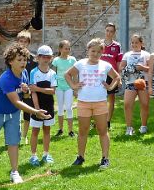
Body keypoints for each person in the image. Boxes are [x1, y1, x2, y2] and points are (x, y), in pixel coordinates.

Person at [0, 44, 51, 183]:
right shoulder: (6, 78)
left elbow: (24, 98)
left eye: (24, 59)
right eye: (19, 60)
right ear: (10, 61)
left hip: (13, 114)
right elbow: (16, 102)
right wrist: (35, 112)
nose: (23, 62)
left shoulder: (24, 73)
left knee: (13, 141)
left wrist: (26, 92)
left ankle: (14, 172)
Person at [65, 37, 121, 168]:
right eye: (93, 51)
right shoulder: (80, 64)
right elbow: (67, 75)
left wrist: (110, 87)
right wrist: (73, 86)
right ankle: (80, 157)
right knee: (83, 131)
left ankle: (105, 158)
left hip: (100, 103)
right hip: (83, 102)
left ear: (101, 53)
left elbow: (117, 77)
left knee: (102, 130)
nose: (95, 54)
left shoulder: (105, 65)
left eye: (98, 52)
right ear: (88, 50)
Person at [28, 45, 57, 166]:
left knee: (47, 130)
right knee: (35, 130)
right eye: (43, 57)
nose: (45, 59)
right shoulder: (33, 72)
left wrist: (38, 88)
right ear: (38, 58)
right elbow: (32, 91)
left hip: (49, 105)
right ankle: (33, 155)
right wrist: (36, 107)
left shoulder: (52, 73)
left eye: (48, 57)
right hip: (37, 105)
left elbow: (52, 91)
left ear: (51, 58)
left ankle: (46, 153)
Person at [119, 34, 151, 135]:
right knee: (127, 104)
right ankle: (129, 128)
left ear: (141, 43)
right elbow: (121, 67)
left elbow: (151, 69)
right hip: (130, 82)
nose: (134, 44)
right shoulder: (127, 55)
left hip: (143, 82)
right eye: (132, 42)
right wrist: (130, 68)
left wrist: (142, 68)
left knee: (144, 104)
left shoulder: (146, 54)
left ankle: (144, 126)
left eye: (136, 42)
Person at [51, 40, 76, 138]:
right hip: (59, 87)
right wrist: (54, 86)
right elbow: (53, 74)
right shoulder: (56, 60)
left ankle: (70, 131)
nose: (67, 50)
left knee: (69, 107)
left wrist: (75, 87)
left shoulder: (72, 60)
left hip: (69, 86)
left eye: (69, 48)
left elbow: (75, 73)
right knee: (60, 108)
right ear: (60, 49)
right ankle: (60, 129)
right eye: (66, 48)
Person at [16, 30, 37, 144]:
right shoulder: (13, 56)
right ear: (17, 42)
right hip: (16, 88)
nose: (23, 43)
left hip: (28, 89)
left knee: (27, 112)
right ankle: (17, 133)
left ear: (28, 43)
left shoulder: (33, 58)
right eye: (21, 41)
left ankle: (24, 135)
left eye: (25, 41)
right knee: (16, 111)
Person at [101, 22, 123, 129]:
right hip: (100, 75)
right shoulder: (99, 44)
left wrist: (119, 78)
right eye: (107, 31)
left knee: (111, 98)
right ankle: (99, 120)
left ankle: (107, 121)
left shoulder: (117, 46)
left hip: (112, 75)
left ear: (114, 33)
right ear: (105, 31)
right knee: (99, 98)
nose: (109, 33)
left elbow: (119, 62)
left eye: (111, 31)